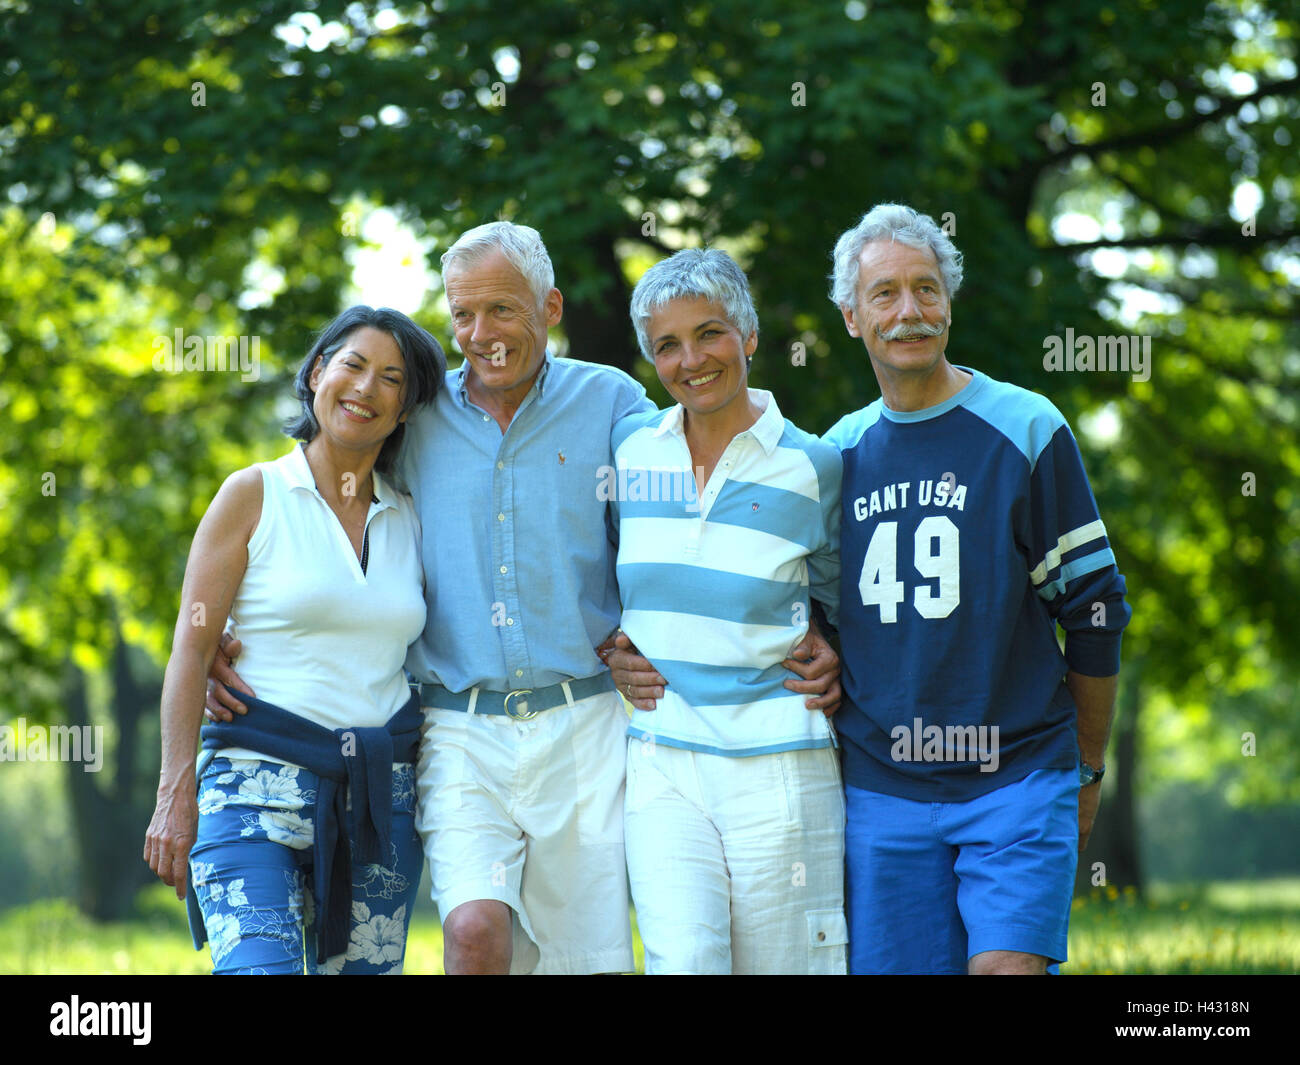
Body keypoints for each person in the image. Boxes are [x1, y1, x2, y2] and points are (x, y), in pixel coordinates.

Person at [208, 221, 842, 974]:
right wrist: (227, 624)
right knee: (474, 930)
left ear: (550, 307)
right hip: (459, 723)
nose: (482, 335)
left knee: (587, 960)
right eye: (464, 316)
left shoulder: (614, 407)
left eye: (503, 310)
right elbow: (318, 503)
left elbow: (704, 501)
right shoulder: (416, 415)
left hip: (588, 721)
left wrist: (815, 624)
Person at [822, 203, 1131, 974]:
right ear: (851, 317)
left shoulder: (1026, 428)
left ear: (949, 303)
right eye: (885, 294)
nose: (909, 312)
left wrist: (1086, 768)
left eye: (926, 289)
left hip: (1018, 776)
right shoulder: (834, 457)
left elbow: (1095, 612)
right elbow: (809, 618)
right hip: (882, 787)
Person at [143, 306, 446, 974]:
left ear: (406, 409)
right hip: (251, 792)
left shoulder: (414, 517)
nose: (366, 387)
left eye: (392, 378)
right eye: (353, 364)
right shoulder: (252, 494)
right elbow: (192, 649)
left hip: (377, 804)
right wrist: (174, 792)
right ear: (316, 374)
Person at [612, 249, 847, 974]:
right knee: (684, 961)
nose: (691, 360)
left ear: (747, 336)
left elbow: (845, 599)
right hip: (662, 758)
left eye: (709, 333)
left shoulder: (813, 466)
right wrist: (610, 644)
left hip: (780, 764)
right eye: (667, 345)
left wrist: (835, 644)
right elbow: (599, 577)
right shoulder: (627, 451)